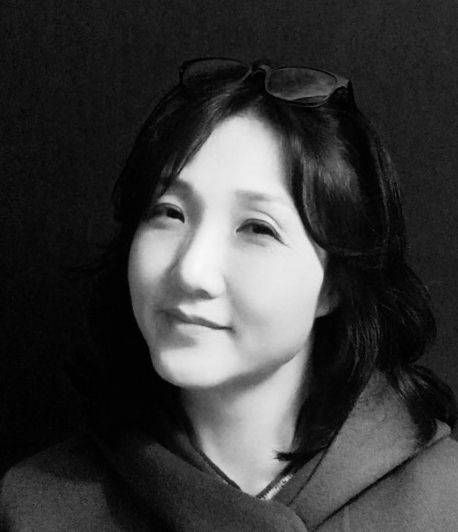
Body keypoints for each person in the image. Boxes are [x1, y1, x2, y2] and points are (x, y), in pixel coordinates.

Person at [1, 58, 458, 531]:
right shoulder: (36, 507)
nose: (191, 270)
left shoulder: (445, 502)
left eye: (257, 228)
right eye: (170, 213)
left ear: (336, 283)